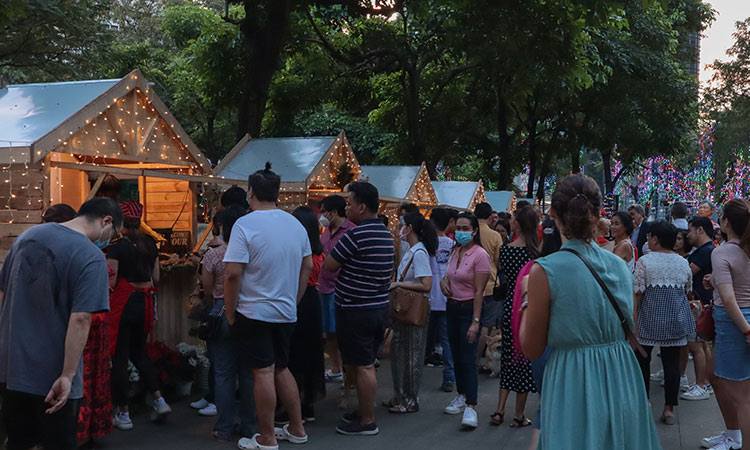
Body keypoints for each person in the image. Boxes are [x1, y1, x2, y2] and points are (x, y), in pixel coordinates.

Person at [520, 173, 661, 449]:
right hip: (622, 375)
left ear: (553, 215)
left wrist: (527, 296)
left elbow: (532, 348)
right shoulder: (619, 266)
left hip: (573, 379)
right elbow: (630, 327)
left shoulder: (544, 271)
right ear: (598, 215)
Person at [0, 198, 120, 450]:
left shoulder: (28, 236)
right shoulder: (91, 256)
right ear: (106, 221)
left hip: (11, 368)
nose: (110, 239)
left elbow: (3, 294)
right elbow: (81, 317)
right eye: (114, 234)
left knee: (18, 441)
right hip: (52, 376)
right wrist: (67, 375)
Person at [224, 163, 313, 450]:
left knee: (262, 372)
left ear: (250, 192)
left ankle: (267, 436)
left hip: (254, 311)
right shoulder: (295, 224)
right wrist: (294, 300)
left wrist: (229, 310)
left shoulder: (244, 224)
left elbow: (233, 273)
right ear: (277, 193)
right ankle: (297, 428)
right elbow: (308, 266)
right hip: (286, 312)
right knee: (281, 368)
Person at [323, 181, 395, 436]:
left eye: (349, 203)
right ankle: (364, 411)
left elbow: (330, 265)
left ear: (362, 206)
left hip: (357, 310)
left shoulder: (356, 234)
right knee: (362, 362)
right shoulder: (386, 234)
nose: (346, 207)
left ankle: (367, 421)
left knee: (363, 365)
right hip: (377, 308)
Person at [107, 201, 171, 430]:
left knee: (120, 357)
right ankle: (159, 399)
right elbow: (157, 278)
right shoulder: (150, 243)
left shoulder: (117, 246)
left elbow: (111, 281)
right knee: (140, 352)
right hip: (145, 302)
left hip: (124, 303)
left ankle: (123, 413)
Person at [201, 206, 255, 442]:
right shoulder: (252, 250)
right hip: (248, 311)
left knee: (223, 373)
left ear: (222, 226)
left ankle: (223, 427)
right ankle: (249, 425)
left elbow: (207, 288)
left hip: (221, 310)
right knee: (248, 373)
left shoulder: (213, 255)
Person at [701, 198, 750, 450]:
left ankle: (739, 440)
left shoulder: (722, 252)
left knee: (742, 396)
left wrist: (746, 329)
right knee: (715, 376)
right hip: (735, 321)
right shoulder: (741, 250)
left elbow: (731, 299)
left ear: (726, 221)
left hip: (735, 322)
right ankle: (733, 434)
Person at [633, 221, 693, 424]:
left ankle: (644, 401)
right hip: (675, 320)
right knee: (672, 365)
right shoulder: (683, 262)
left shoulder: (645, 261)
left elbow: (638, 293)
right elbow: (687, 290)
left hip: (648, 318)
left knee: (642, 360)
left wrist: (633, 321)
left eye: (649, 236)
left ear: (655, 239)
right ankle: (669, 408)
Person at [440, 212, 491, 429]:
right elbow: (449, 275)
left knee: (468, 358)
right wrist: (443, 282)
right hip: (451, 307)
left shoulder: (480, 255)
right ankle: (461, 395)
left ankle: (472, 405)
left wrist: (476, 321)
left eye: (465, 228)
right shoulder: (455, 250)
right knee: (456, 354)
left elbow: (479, 291)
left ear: (474, 230)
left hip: (470, 308)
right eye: (458, 228)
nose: (461, 232)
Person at [385, 212, 437, 414]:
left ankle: (410, 399)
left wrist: (398, 283)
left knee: (412, 355)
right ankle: (400, 395)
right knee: (400, 353)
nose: (399, 230)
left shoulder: (419, 253)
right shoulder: (412, 250)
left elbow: (427, 284)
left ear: (411, 228)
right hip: (406, 308)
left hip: (416, 308)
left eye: (402, 226)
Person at [493, 206, 538, 428]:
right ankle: (519, 415)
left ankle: (500, 409)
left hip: (510, 303)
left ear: (518, 224)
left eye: (513, 220)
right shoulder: (536, 253)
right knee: (524, 360)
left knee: (508, 357)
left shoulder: (506, 250)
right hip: (528, 306)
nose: (510, 222)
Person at [285, 206, 326, 422]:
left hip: (298, 298)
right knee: (310, 352)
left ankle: (292, 405)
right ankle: (307, 402)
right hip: (313, 300)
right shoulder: (318, 250)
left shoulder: (298, 251)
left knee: (294, 353)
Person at [318, 195, 355, 384]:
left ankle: (350, 375)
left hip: (342, 289)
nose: (322, 215)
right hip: (323, 287)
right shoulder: (325, 231)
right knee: (328, 333)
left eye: (324, 211)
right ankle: (335, 368)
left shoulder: (351, 231)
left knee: (343, 334)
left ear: (333, 213)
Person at [677, 216, 715, 402]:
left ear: (700, 230)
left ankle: (702, 384)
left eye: (690, 230)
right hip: (700, 304)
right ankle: (704, 382)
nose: (688, 235)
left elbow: (686, 274)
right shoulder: (705, 250)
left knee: (696, 346)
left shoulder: (705, 251)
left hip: (699, 305)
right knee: (698, 345)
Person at [426, 208, 456, 392]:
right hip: (447, 297)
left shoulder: (426, 244)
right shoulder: (453, 244)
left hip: (427, 297)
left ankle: (413, 378)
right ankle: (449, 377)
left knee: (423, 341)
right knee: (447, 341)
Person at [473, 202, 503, 373]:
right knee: (486, 324)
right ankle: (477, 359)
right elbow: (498, 262)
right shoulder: (495, 236)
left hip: (470, 285)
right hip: (490, 284)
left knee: (472, 321)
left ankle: (468, 359)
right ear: (490, 216)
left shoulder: (469, 232)